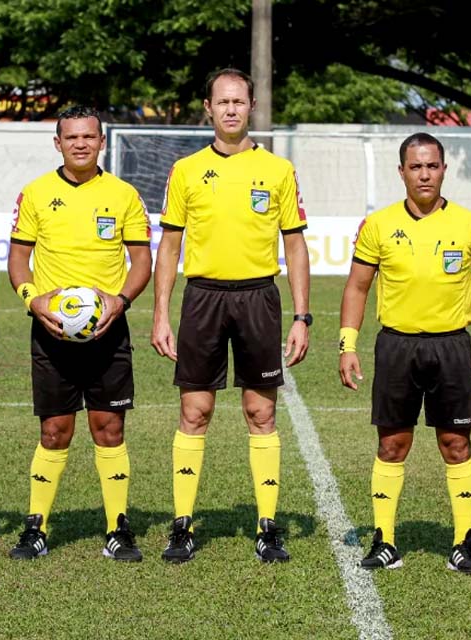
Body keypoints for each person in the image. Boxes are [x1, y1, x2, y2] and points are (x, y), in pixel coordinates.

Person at [151, 68, 311, 564]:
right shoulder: (186, 171)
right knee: (194, 412)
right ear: (208, 108)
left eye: (239, 102)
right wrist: (161, 313)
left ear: (252, 107)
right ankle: (182, 526)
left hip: (259, 299)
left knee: (260, 413)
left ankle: (266, 526)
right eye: (222, 102)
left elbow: (295, 244)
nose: (231, 110)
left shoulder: (279, 171)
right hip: (202, 299)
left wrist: (302, 316)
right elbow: (170, 245)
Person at [338, 132, 471, 575]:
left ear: (444, 169)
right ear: (401, 173)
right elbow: (357, 287)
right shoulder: (377, 224)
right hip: (396, 345)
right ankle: (385, 540)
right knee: (392, 444)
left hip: (451, 346)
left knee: (456, 444)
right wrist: (347, 344)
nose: (424, 174)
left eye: (432, 165)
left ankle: (463, 541)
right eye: (415, 167)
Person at [7, 105, 152, 562]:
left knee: (108, 428)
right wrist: (33, 300)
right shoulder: (34, 194)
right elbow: (17, 259)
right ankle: (36, 527)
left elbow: (142, 261)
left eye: (89, 137)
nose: (81, 144)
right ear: (58, 143)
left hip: (108, 329)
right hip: (52, 332)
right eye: (71, 138)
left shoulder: (125, 195)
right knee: (54, 430)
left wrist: (120, 301)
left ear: (102, 141)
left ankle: (118, 527)